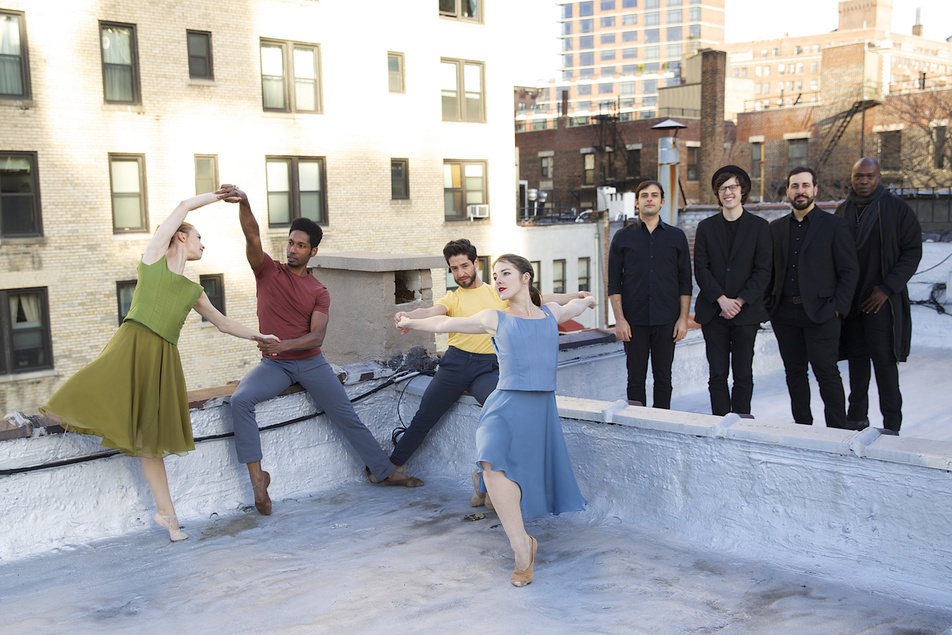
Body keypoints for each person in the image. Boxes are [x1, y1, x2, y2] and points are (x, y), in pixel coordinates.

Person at [40, 187, 279, 542]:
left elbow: (223, 323)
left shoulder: (193, 290)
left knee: (148, 440)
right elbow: (183, 205)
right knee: (88, 389)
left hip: (163, 360)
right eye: (199, 237)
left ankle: (168, 516)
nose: (203, 244)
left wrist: (258, 336)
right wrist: (216, 196)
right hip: (133, 346)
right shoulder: (152, 258)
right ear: (181, 236)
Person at [397, 254, 593, 587]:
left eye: (506, 273)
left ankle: (488, 493)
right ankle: (522, 549)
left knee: (515, 471)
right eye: (496, 274)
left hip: (539, 410)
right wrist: (411, 321)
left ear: (526, 277)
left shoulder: (550, 314)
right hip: (504, 406)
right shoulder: (495, 318)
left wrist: (586, 300)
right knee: (491, 460)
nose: (498, 280)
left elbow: (573, 307)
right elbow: (445, 324)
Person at [224, 187, 422, 517]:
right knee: (240, 400)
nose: (293, 250)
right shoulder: (268, 271)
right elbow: (252, 234)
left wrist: (283, 344)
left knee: (346, 416)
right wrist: (244, 202)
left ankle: (383, 471)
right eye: (291, 243)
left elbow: (316, 337)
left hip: (310, 363)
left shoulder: (319, 290)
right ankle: (258, 480)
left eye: (301, 245)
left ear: (313, 251)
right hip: (274, 366)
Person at [835, 157, 922, 435]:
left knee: (885, 364)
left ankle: (892, 425)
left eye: (869, 176)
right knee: (857, 363)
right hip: (852, 302)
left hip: (882, 302)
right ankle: (856, 419)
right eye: (858, 176)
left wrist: (887, 288)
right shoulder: (843, 210)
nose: (864, 181)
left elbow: (912, 252)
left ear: (879, 177)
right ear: (851, 177)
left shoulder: (896, 209)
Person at [766, 167, 859, 428]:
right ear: (787, 191)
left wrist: (837, 307)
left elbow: (849, 270)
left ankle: (837, 430)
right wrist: (769, 306)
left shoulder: (834, 225)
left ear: (815, 189)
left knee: (826, 372)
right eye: (795, 186)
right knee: (794, 373)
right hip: (785, 314)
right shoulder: (776, 228)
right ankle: (802, 426)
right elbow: (768, 271)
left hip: (822, 313)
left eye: (805, 185)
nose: (800, 191)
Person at [694, 166, 772, 416]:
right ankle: (719, 422)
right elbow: (701, 269)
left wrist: (739, 300)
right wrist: (721, 300)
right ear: (717, 193)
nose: (728, 192)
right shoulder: (706, 227)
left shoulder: (760, 227)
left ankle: (742, 422)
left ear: (742, 191)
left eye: (733, 187)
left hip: (746, 313)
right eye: (722, 188)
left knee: (743, 373)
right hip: (713, 312)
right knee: (717, 373)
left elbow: (763, 270)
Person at [608, 179, 692, 408]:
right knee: (635, 379)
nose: (649, 199)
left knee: (663, 379)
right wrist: (620, 320)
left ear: (662, 202)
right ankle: (636, 423)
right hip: (634, 321)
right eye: (644, 195)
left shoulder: (676, 237)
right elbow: (614, 283)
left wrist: (683, 319)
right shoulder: (622, 238)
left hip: (667, 320)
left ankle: (662, 421)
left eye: (654, 195)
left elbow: (685, 282)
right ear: (637, 202)